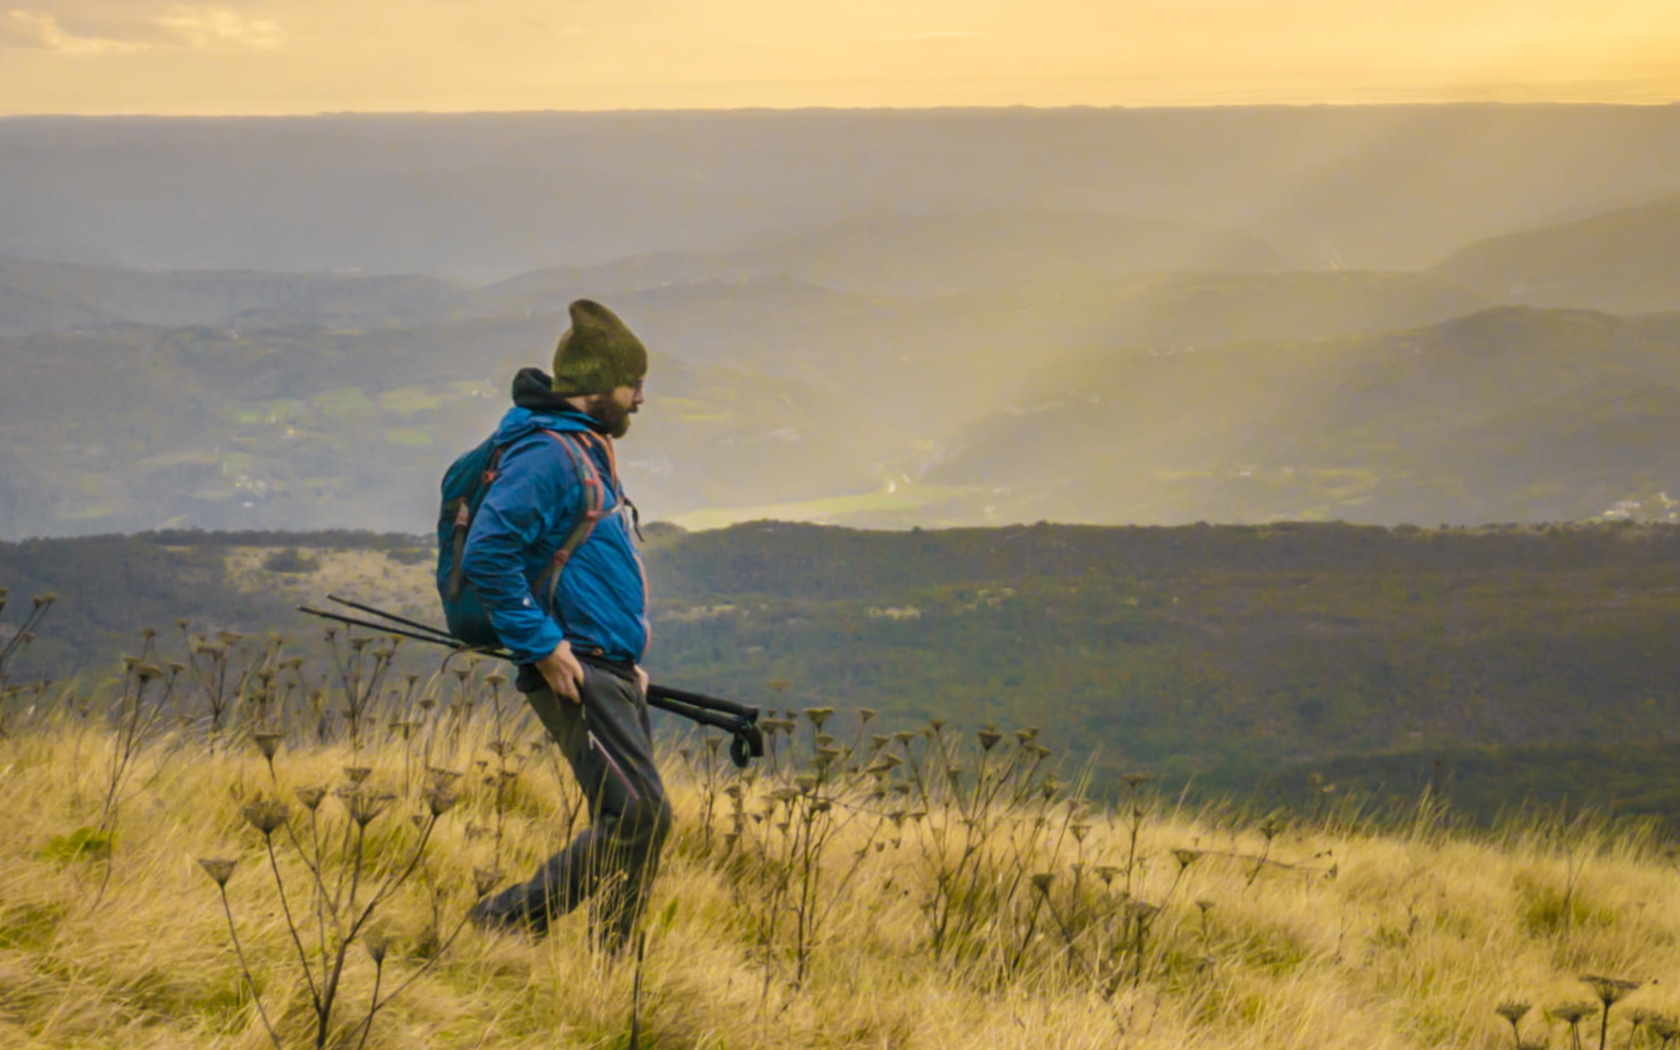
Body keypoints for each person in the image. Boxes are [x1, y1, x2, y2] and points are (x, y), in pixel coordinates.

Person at [460, 299, 671, 950]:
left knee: (640, 817)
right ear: (597, 385)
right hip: (576, 665)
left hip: (605, 662)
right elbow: (488, 554)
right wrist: (545, 646)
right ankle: (506, 924)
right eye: (632, 384)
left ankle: (614, 968)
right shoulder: (548, 455)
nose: (639, 398)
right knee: (637, 812)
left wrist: (623, 651)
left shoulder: (583, 445)